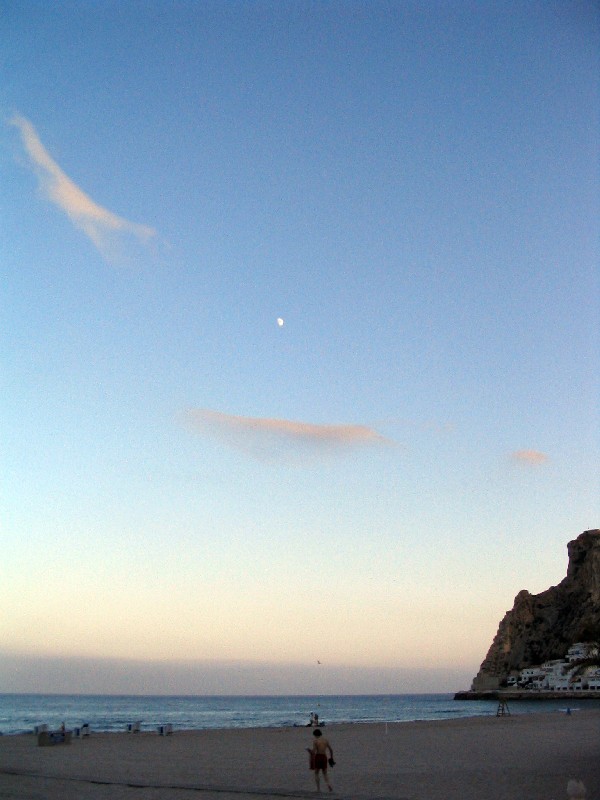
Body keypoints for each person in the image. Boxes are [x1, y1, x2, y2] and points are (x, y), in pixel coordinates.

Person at [310, 728, 334, 792]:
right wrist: (331, 758)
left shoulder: (315, 741)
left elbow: (313, 752)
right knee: (325, 773)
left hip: (318, 757)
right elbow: (331, 750)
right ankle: (328, 784)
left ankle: (318, 789)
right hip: (324, 757)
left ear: (315, 735)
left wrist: (309, 750)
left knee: (316, 773)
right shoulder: (325, 740)